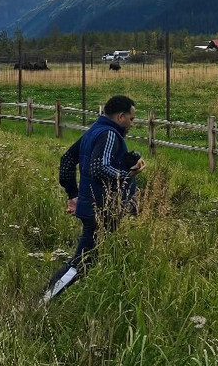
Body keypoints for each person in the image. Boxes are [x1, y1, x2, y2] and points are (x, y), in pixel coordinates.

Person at [42, 94, 146, 303]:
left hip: (93, 206)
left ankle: (123, 298)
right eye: (131, 119)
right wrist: (129, 174)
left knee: (106, 256)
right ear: (120, 117)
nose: (132, 123)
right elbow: (99, 167)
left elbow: (67, 160)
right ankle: (42, 301)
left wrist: (73, 194)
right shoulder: (109, 134)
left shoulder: (95, 130)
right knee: (81, 263)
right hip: (101, 209)